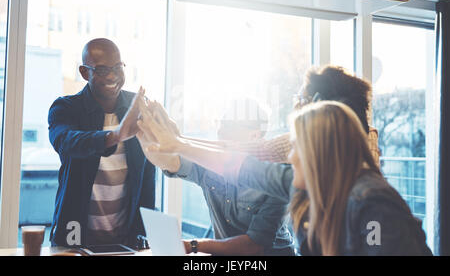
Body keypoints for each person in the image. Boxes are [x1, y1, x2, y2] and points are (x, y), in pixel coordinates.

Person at [137, 100, 432, 255]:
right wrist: (177, 143)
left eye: (297, 149)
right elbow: (239, 166)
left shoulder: (372, 206)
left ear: (323, 154)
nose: (290, 157)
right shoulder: (297, 182)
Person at [136, 98, 296, 256]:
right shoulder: (210, 163)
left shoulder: (275, 177)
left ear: (255, 135)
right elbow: (170, 161)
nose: (220, 131)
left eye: (229, 125)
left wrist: (191, 245)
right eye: (220, 122)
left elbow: (254, 246)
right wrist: (144, 132)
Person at [48, 38, 155, 248]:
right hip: (74, 234)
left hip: (128, 239)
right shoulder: (66, 108)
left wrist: (147, 233)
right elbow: (66, 142)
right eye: (102, 70)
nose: (113, 76)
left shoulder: (137, 108)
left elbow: (148, 175)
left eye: (117, 67)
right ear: (84, 72)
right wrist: (114, 135)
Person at [181, 66, 380, 165]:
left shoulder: (313, 145)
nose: (295, 105)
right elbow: (246, 149)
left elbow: (246, 151)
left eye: (300, 98)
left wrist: (176, 141)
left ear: (317, 103)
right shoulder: (363, 140)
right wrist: (177, 141)